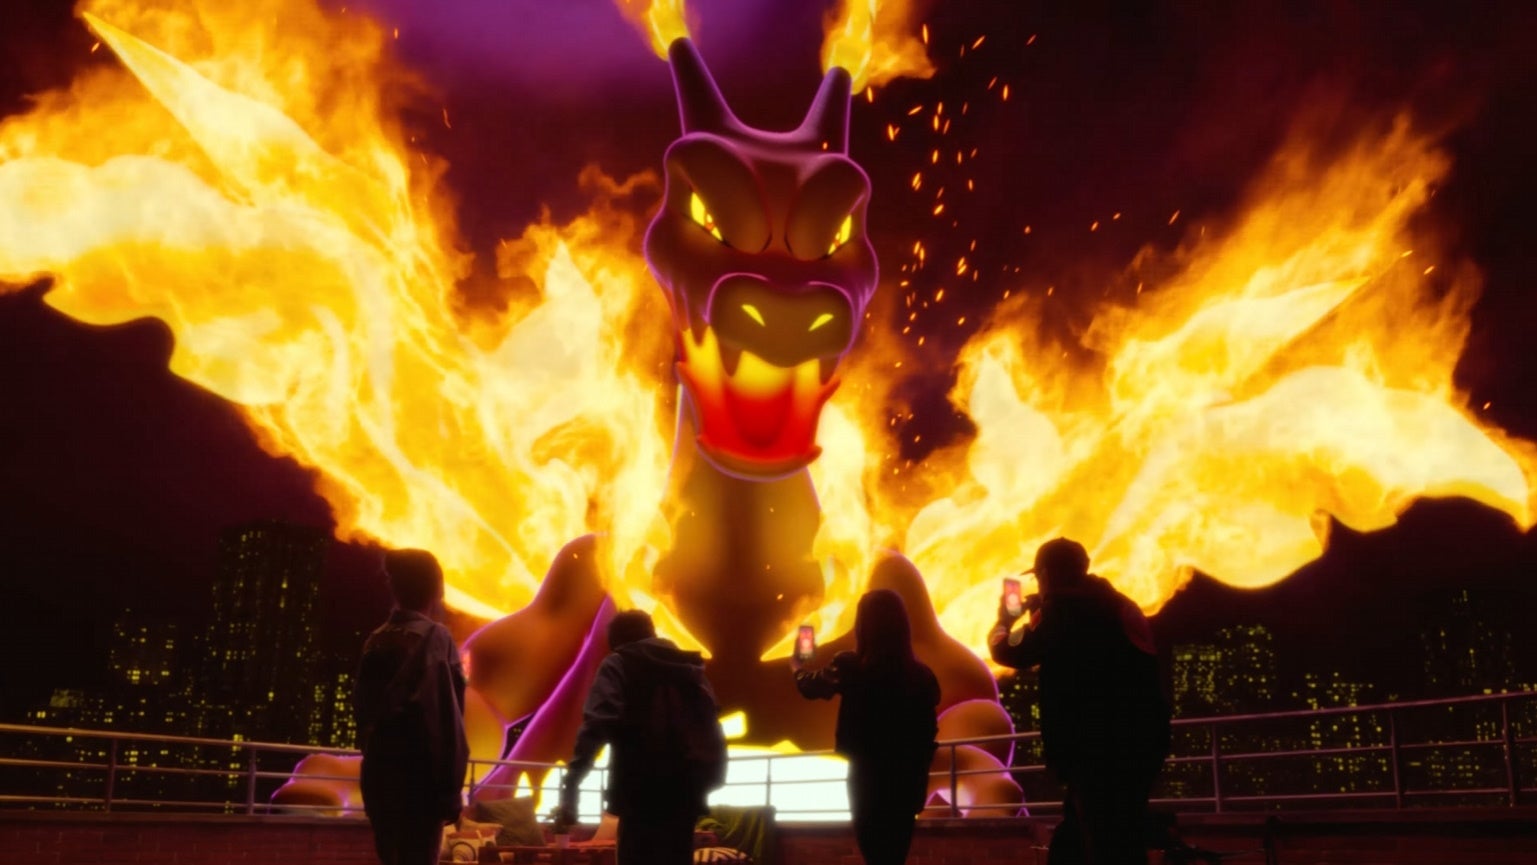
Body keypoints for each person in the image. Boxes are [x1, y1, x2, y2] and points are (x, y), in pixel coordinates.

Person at [989, 538, 1171, 865]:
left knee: (1108, 845)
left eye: (1038, 576)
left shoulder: (1063, 611)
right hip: (1141, 743)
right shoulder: (1116, 604)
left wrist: (1005, 620)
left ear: (1046, 574)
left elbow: (1009, 650)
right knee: (1086, 838)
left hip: (1095, 750)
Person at [554, 609, 727, 865]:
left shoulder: (619, 663)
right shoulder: (690, 669)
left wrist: (572, 783)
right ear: (651, 633)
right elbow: (711, 720)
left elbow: (597, 724)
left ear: (617, 642)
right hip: (687, 790)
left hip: (639, 789)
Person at [794, 589, 940, 865]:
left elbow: (811, 687)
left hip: (867, 780)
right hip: (907, 783)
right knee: (894, 856)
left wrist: (797, 666)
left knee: (874, 854)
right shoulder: (922, 676)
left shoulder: (850, 666)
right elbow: (929, 733)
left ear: (863, 625)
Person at [354, 549, 470, 865]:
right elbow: (446, 718)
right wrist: (451, 790)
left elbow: (362, 712)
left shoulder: (376, 639)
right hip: (421, 783)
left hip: (380, 779)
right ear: (436, 588)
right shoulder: (435, 637)